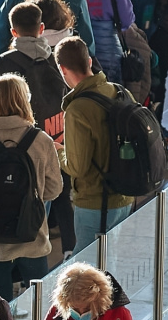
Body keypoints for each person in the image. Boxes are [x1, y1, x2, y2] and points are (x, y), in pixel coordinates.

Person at [0, 73, 62, 294]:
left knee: (0, 299)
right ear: (24, 101)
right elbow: (54, 189)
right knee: (39, 298)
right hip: (32, 236)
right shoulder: (42, 141)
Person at [58, 36, 141, 253]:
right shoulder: (120, 92)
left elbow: (77, 167)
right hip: (125, 196)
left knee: (86, 265)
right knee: (109, 260)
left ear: (62, 69)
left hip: (95, 204)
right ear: (89, 62)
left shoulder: (77, 109)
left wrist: (58, 152)